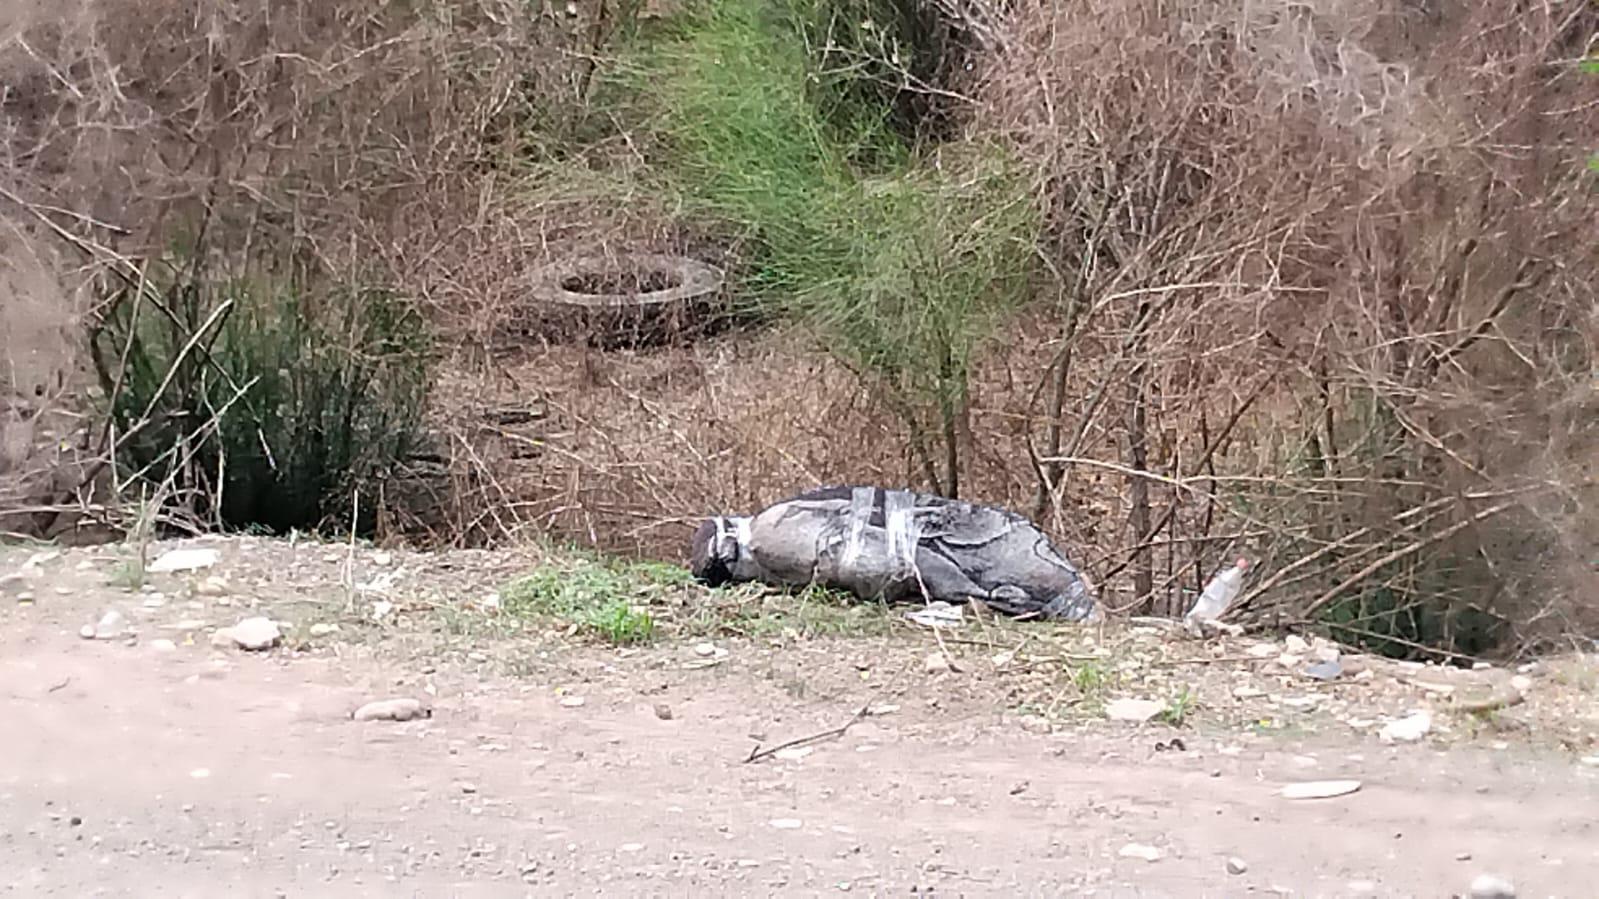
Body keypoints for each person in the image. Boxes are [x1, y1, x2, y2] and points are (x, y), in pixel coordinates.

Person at [688, 485, 1097, 621]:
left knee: (1044, 596)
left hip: (948, 551)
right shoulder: (776, 519)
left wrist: (940, 601)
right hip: (971, 533)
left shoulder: (769, 537)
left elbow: (870, 564)